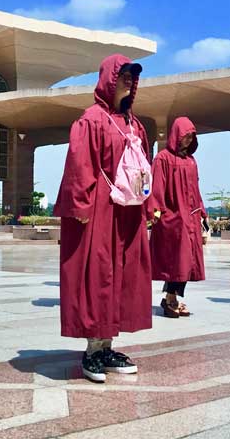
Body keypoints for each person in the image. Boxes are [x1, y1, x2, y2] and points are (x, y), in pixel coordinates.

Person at [57, 55, 160, 384]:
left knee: (123, 275)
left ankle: (108, 345)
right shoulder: (92, 119)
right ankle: (92, 348)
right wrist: (81, 207)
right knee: (98, 274)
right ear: (109, 78)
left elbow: (144, 166)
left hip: (128, 211)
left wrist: (149, 205)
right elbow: (79, 164)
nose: (129, 81)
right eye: (124, 75)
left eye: (133, 76)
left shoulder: (134, 123)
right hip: (101, 207)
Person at [151, 117, 205, 317]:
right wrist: (156, 211)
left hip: (190, 218)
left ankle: (171, 297)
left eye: (191, 137)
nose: (188, 140)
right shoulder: (163, 158)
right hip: (173, 218)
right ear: (176, 135)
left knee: (187, 262)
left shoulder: (191, 161)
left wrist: (202, 211)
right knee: (177, 261)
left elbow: (196, 188)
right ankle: (170, 298)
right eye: (185, 136)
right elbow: (157, 187)